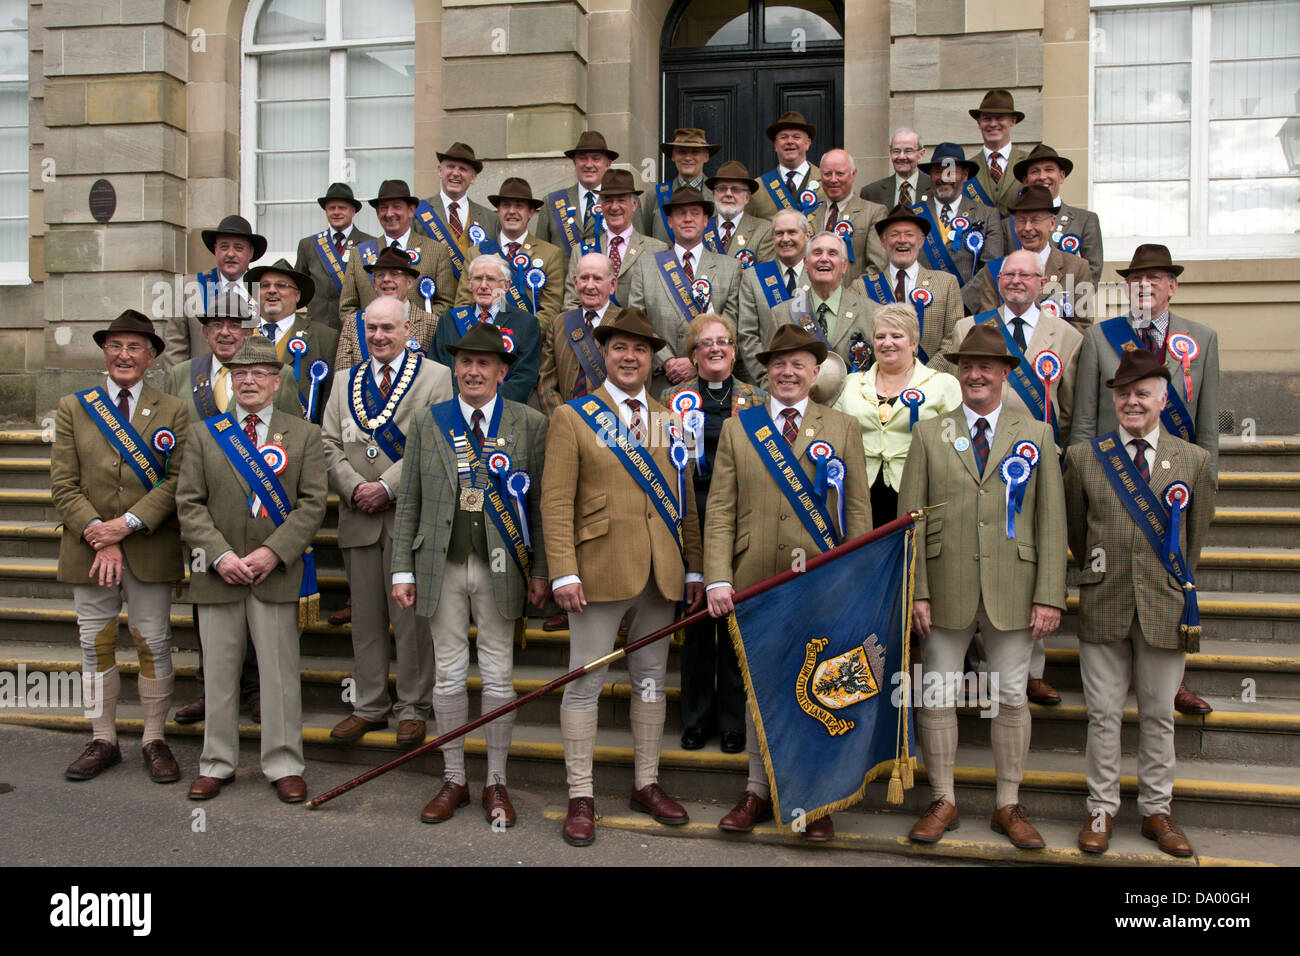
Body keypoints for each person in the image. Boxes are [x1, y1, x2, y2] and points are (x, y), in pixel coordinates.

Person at [898, 324, 1067, 849]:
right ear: (957, 372)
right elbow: (912, 518)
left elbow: (1051, 521)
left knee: (1012, 699)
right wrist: (916, 590)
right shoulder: (930, 433)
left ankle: (1007, 805)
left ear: (1004, 374)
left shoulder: (1035, 434)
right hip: (943, 585)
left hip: (1014, 588)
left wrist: (1049, 595)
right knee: (937, 696)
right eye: (967, 366)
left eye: (986, 367)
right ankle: (942, 799)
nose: (975, 374)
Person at [540, 307, 704, 847]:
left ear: (652, 358)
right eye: (619, 349)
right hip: (597, 569)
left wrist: (694, 566)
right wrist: (562, 569)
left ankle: (646, 783)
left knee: (652, 681)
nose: (630, 357)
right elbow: (556, 501)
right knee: (584, 683)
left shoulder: (668, 417)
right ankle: (580, 793)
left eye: (640, 350)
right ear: (604, 355)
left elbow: (685, 504)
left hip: (661, 571)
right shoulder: (574, 415)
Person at [704, 324, 871, 841]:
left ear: (815, 372)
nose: (788, 372)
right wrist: (716, 577)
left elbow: (859, 510)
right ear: (765, 371)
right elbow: (721, 509)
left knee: (820, 688)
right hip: (754, 577)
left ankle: (816, 798)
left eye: (799, 363)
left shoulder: (843, 427)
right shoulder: (740, 428)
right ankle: (757, 790)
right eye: (778, 363)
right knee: (761, 692)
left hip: (821, 581)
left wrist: (856, 578)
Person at [392, 322, 550, 826]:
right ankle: (454, 777)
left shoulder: (528, 422)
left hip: (503, 567)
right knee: (449, 672)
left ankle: (496, 781)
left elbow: (541, 506)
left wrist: (541, 569)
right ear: (454, 368)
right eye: (465, 362)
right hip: (440, 562)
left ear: (503, 372)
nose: (473, 371)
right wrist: (401, 568)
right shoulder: (426, 420)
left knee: (500, 673)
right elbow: (409, 499)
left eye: (484, 363)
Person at [1064, 349, 1215, 856]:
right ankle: (1101, 809)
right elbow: (1078, 533)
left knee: (1159, 716)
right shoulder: (1086, 457)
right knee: (1103, 715)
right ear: (1113, 398)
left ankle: (1157, 811)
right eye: (1124, 393)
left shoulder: (1193, 461)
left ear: (1163, 398)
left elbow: (1193, 542)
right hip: (1105, 600)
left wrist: (1168, 579)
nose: (1132, 401)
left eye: (1143, 392)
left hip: (1163, 604)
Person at [176, 336, 327, 803]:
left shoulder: (302, 434)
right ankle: (216, 764)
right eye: (240, 373)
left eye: (259, 373)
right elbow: (188, 504)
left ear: (276, 381)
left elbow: (312, 504)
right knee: (219, 675)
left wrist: (272, 553)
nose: (248, 381)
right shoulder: (205, 434)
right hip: (218, 573)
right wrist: (220, 555)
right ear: (229, 380)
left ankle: (283, 763)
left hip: (274, 574)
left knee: (279, 676)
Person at [1071, 243, 1220, 716]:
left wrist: (1206, 483)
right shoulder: (1100, 338)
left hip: (1177, 483)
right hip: (1116, 475)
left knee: (1174, 577)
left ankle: (1173, 682)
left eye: (1156, 278)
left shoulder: (1202, 338)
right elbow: (1086, 420)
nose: (1145, 286)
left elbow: (1210, 421)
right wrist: (1078, 468)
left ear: (1172, 286)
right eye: (1136, 279)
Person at [50, 309, 189, 784]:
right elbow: (63, 485)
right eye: (115, 346)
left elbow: (177, 481)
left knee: (154, 643)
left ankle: (154, 737)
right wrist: (99, 533)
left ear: (152, 356)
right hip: (89, 549)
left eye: (135, 347)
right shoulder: (74, 406)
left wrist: (125, 526)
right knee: (96, 644)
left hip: (148, 545)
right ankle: (102, 738)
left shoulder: (173, 410)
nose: (124, 355)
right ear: (104, 352)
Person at [322, 296, 452, 749]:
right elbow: (327, 444)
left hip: (408, 518)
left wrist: (387, 487)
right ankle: (368, 705)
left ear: (407, 333)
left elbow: (437, 441)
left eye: (387, 328)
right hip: (358, 516)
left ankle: (413, 707)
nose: (378, 336)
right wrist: (356, 486)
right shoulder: (343, 381)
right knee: (366, 619)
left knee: (412, 621)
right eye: (371, 328)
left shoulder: (437, 377)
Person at [166, 291, 300, 725]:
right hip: (208, 516)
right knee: (211, 617)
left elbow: (292, 445)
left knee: (264, 622)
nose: (225, 331)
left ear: (249, 331)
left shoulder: (281, 379)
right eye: (215, 325)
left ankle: (258, 691)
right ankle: (213, 692)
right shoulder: (182, 375)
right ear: (204, 332)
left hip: (266, 519)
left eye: (235, 324)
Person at [662, 314, 765, 755]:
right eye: (706, 343)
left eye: (724, 341)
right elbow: (659, 460)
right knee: (696, 619)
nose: (716, 349)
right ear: (693, 353)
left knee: (735, 620)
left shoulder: (757, 399)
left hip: (740, 518)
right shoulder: (668, 399)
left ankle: (732, 721)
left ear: (735, 350)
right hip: (689, 517)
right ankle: (696, 718)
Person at [833, 303, 960, 525]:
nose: (887, 342)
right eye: (880, 336)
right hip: (859, 495)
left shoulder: (943, 384)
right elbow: (834, 434)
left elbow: (955, 445)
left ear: (914, 343)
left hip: (919, 493)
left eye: (897, 335)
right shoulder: (851, 383)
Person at [626, 185, 742, 396]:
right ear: (670, 222)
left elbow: (731, 325)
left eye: (695, 213)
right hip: (660, 381)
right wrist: (666, 360)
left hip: (711, 380)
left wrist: (694, 361)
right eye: (681, 214)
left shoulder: (730, 268)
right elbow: (637, 322)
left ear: (706, 221)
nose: (688, 219)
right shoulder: (645, 266)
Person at [337, 179, 456, 338]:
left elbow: (445, 303)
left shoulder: (436, 250)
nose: (389, 213)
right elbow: (347, 307)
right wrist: (373, 333)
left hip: (419, 346)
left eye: (397, 207)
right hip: (373, 345)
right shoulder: (359, 254)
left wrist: (411, 333)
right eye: (383, 208)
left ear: (411, 210)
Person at [964, 185, 1093, 324]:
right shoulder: (995, 269)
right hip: (1007, 345)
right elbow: (989, 324)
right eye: (1021, 220)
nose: (1027, 228)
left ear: (1052, 223)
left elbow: (1082, 325)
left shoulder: (1077, 268)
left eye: (1035, 220)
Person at [767, 231, 880, 381]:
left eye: (832, 253)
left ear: (844, 265)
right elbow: (769, 372)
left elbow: (882, 370)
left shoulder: (872, 312)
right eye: (817, 253)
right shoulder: (781, 313)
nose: (824, 259)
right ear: (806, 264)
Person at [430, 254, 542, 404]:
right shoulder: (448, 320)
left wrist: (489, 406)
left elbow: (524, 377)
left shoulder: (526, 323)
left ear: (506, 285)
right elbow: (437, 370)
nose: (483, 285)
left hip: (503, 411)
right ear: (469, 284)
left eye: (490, 279)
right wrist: (461, 404)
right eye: (477, 279)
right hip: (453, 409)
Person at [860, 204, 963, 366]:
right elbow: (862, 340)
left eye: (909, 234)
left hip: (932, 382)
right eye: (894, 235)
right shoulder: (862, 287)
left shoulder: (947, 283)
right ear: (883, 241)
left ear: (921, 240)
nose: (902, 240)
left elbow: (953, 337)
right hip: (881, 382)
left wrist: (925, 377)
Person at [162, 214, 265, 371]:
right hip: (202, 389)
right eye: (224, 247)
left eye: (238, 248)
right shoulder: (188, 287)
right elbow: (174, 350)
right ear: (216, 250)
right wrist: (180, 390)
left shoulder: (265, 290)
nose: (230, 254)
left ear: (250, 253)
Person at [454, 177, 564, 321]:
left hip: (528, 341)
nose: (512, 211)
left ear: (531, 213)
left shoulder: (550, 255)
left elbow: (551, 311)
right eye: (506, 205)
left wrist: (520, 336)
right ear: (498, 211)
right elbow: (463, 305)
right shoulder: (476, 253)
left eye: (519, 206)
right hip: (482, 339)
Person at [245, 258, 340, 424]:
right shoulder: (242, 334)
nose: (272, 291)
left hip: (301, 440)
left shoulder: (325, 337)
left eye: (281, 285)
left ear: (297, 295)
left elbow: (330, 401)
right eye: (265, 286)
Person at [560, 168, 667, 313]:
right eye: (608, 201)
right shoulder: (581, 251)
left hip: (637, 332)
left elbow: (659, 304)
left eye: (621, 200)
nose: (614, 207)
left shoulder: (656, 249)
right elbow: (571, 304)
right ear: (601, 206)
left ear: (634, 204)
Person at [335, 245, 440, 372]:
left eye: (394, 274)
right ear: (374, 283)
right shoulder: (353, 323)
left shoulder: (431, 323)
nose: (386, 279)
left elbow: (435, 375)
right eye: (380, 275)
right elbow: (342, 375)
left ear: (409, 282)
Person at [1005, 144, 1103, 277]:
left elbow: (1092, 274)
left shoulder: (1085, 220)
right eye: (1035, 171)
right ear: (1025, 181)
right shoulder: (1007, 224)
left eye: (1049, 170)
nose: (1042, 176)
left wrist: (1053, 297)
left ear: (1061, 176)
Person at [736, 209, 811, 383]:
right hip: (767, 382)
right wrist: (766, 377)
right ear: (772, 238)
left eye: (792, 232)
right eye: (779, 233)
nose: (785, 239)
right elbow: (747, 335)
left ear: (807, 236)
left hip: (813, 384)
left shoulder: (820, 273)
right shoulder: (754, 277)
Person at [539, 251, 618, 416]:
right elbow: (546, 383)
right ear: (575, 283)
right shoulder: (558, 323)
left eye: (597, 279)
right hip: (566, 425)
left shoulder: (625, 323)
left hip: (611, 426)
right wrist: (563, 419)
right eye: (584, 278)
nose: (589, 286)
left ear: (612, 285)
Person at [915, 143, 1004, 287]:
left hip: (968, 307)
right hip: (920, 302)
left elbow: (990, 269)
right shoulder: (913, 215)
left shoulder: (987, 215)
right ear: (930, 175)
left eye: (951, 171)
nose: (944, 177)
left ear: (965, 175)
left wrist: (959, 302)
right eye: (938, 171)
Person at [295, 182, 376, 331]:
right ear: (326, 211)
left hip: (356, 327)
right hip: (317, 326)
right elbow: (298, 287)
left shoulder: (370, 244)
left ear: (353, 211)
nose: (336, 212)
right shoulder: (308, 245)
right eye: (332, 208)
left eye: (342, 208)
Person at [535, 130, 618, 256]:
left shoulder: (622, 202)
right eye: (583, 158)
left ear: (608, 164)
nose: (589, 165)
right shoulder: (552, 202)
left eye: (596, 159)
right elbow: (540, 253)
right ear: (575, 162)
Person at [818, 148, 887, 284]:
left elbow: (878, 266)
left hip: (854, 299)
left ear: (853, 174)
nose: (833, 179)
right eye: (827, 174)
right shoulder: (809, 214)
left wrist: (850, 295)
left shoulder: (874, 213)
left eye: (840, 173)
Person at [745, 111, 827, 221]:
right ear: (775, 145)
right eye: (783, 137)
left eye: (796, 137)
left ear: (807, 143)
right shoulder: (758, 188)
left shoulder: (827, 182)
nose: (789, 141)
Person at [424, 141, 494, 268]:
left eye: (463, 169)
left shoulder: (490, 219)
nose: (456, 173)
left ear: (473, 177)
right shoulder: (420, 212)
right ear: (440, 171)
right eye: (451, 166)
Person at [645, 128, 719, 244]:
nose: (688, 158)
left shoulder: (719, 195)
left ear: (706, 157)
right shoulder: (655, 195)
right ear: (673, 156)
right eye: (682, 152)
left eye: (695, 152)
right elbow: (645, 242)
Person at [968, 89, 1031, 216]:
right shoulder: (968, 168)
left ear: (1013, 121)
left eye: (999, 118)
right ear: (979, 123)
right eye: (986, 119)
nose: (992, 124)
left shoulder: (1029, 162)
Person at [705, 161, 775, 264]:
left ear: (747, 197)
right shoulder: (702, 228)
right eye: (722, 189)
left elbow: (763, 276)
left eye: (736, 189)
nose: (728, 194)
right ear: (714, 194)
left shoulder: (764, 231)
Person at [860, 128, 932, 207]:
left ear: (921, 155)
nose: (901, 157)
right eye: (896, 151)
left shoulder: (934, 188)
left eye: (908, 151)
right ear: (890, 153)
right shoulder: (871, 193)